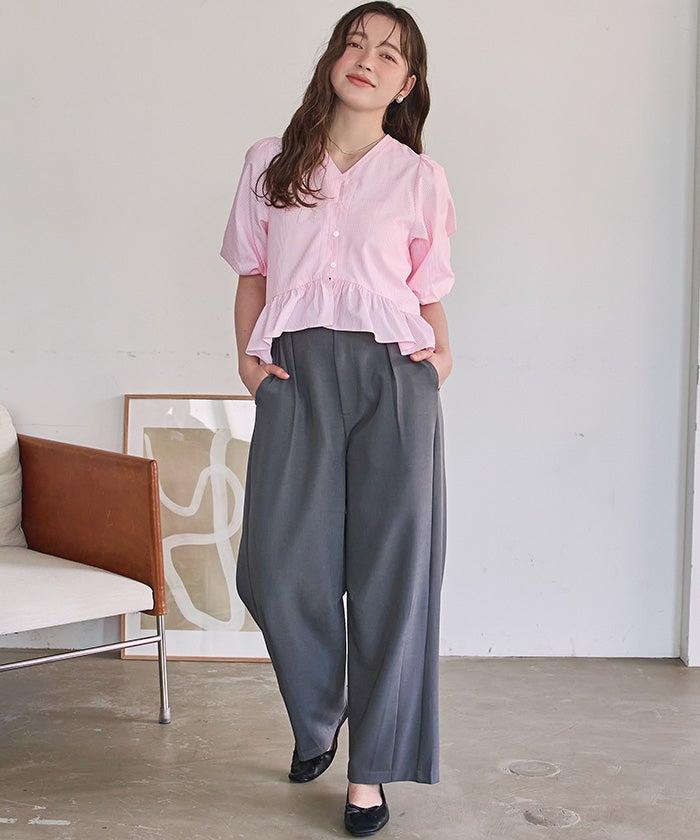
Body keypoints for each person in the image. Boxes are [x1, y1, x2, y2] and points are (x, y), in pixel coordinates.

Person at [220, 2, 456, 835]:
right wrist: (248, 364)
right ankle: (319, 717)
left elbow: (428, 292)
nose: (366, 59)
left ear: (407, 84)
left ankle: (369, 773)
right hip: (296, 374)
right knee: (275, 569)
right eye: (354, 44)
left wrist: (439, 362)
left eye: (388, 54)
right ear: (332, 60)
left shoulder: (419, 178)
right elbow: (252, 274)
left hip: (394, 378)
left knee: (393, 579)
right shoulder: (270, 162)